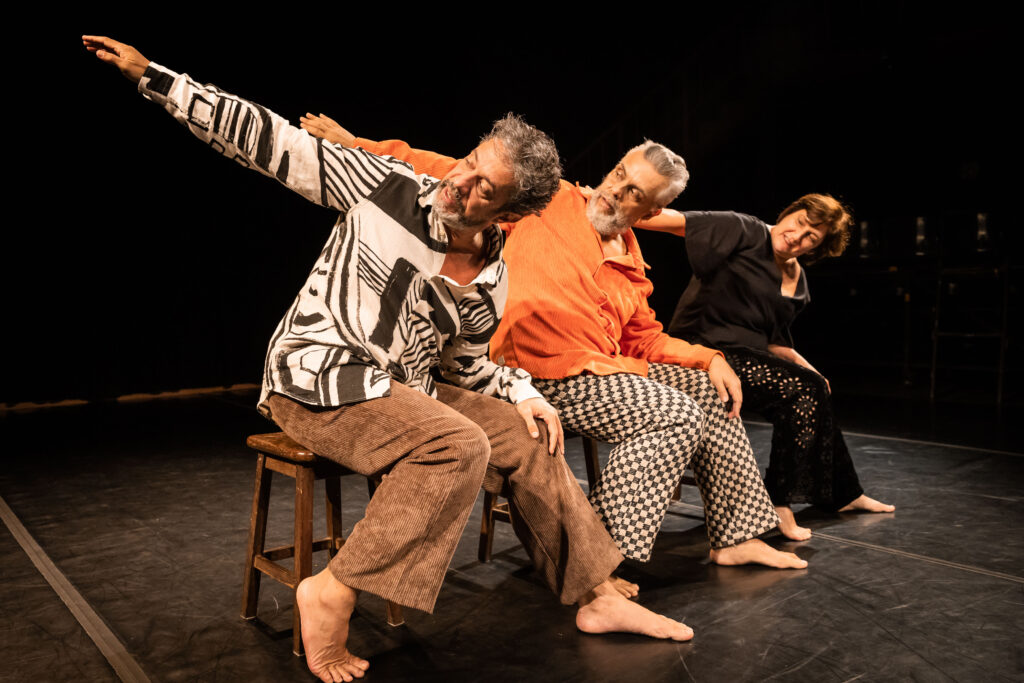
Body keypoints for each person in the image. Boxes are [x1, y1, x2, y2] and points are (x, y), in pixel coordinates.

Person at [85, 35, 693, 683]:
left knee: (524, 433)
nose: (461, 184)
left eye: (485, 188)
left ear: (510, 214)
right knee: (458, 444)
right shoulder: (387, 187)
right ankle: (335, 589)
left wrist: (522, 392)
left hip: (402, 392)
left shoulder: (489, 268)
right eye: (468, 164)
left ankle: (597, 594)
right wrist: (156, 77)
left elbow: (467, 361)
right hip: (316, 377)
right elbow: (270, 143)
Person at [299, 116, 809, 573]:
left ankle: (738, 535)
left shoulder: (631, 260)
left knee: (712, 390)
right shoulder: (549, 202)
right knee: (674, 413)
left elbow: (645, 337)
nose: (614, 192)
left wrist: (710, 357)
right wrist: (357, 143)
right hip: (538, 375)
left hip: (602, 373)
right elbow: (444, 168)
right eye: (618, 176)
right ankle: (597, 561)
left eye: (634, 193)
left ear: (652, 210)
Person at [661, 198, 895, 537]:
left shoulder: (798, 278)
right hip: (702, 351)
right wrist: (609, 203)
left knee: (815, 386)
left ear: (818, 247)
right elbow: (670, 220)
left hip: (748, 357)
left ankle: (846, 493)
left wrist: (809, 368)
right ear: (788, 212)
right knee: (804, 389)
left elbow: (772, 340)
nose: (797, 235)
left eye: (812, 237)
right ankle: (779, 500)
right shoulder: (745, 230)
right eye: (798, 221)